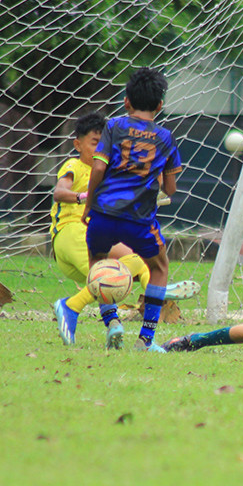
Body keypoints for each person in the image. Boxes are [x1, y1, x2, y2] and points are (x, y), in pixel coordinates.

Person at [52, 112, 198, 349]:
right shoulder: (74, 165)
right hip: (70, 232)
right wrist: (82, 197)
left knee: (136, 263)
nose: (99, 149)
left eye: (102, 144)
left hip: (96, 226)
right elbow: (59, 192)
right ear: (77, 144)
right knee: (111, 276)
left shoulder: (111, 170)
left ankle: (115, 325)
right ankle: (71, 305)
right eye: (93, 143)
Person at [79, 67, 184, 352]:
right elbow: (171, 189)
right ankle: (145, 338)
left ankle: (112, 321)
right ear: (160, 106)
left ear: (126, 101)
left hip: (104, 213)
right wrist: (157, 180)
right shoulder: (166, 137)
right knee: (159, 267)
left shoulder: (113, 126)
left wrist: (90, 205)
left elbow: (99, 166)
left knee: (97, 262)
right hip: (138, 220)